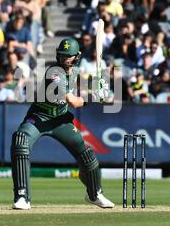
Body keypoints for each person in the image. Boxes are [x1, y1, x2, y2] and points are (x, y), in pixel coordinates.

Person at [9, 38, 114, 210]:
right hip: (39, 117)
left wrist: (98, 85)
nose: (65, 59)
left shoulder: (74, 72)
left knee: (87, 155)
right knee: (20, 141)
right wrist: (96, 97)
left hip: (60, 120)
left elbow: (81, 83)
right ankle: (22, 196)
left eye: (69, 56)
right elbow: (73, 102)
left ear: (77, 57)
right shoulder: (55, 73)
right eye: (63, 55)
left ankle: (94, 194)